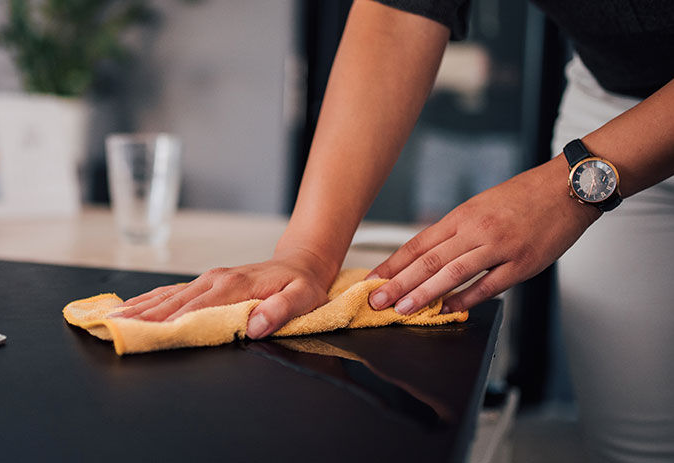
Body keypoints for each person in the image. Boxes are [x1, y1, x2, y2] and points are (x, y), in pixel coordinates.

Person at [113, 1, 674, 461]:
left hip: (600, 155)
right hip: (619, 100)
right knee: (639, 445)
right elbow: (397, 12)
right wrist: (307, 252)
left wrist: (566, 188)